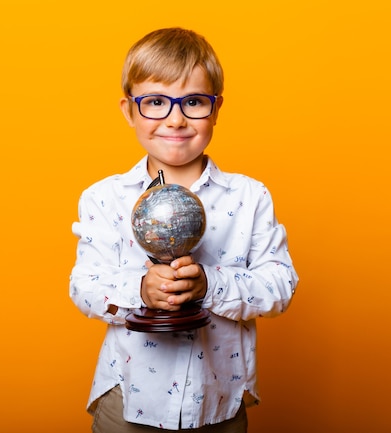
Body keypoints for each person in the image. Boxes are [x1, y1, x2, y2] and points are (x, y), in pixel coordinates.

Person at [69, 27, 298, 432]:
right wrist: (141, 290)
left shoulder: (249, 197)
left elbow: (280, 286)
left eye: (193, 102)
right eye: (155, 102)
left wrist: (209, 285)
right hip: (129, 400)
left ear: (216, 108)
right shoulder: (104, 198)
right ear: (129, 110)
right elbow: (85, 287)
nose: (175, 119)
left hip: (219, 403)